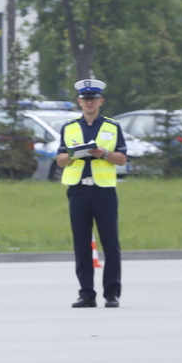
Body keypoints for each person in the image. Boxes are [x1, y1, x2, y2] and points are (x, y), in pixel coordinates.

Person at [55, 78, 127, 309]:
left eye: (93, 99)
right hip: (78, 190)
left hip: (103, 191)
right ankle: (86, 293)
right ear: (79, 101)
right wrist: (76, 154)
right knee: (82, 243)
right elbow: (60, 159)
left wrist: (104, 153)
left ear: (101, 101)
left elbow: (122, 159)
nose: (89, 103)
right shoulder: (69, 127)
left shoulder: (112, 127)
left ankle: (111, 293)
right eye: (85, 99)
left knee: (110, 242)